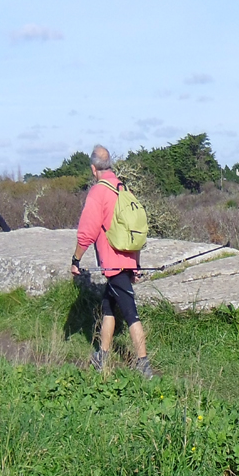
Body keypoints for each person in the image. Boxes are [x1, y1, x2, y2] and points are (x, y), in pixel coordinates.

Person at [70, 146, 154, 379]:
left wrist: (76, 260)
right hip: (128, 258)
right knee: (108, 307)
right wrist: (135, 264)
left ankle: (144, 366)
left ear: (93, 169)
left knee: (130, 313)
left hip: (113, 263)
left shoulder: (98, 192)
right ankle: (103, 356)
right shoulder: (122, 188)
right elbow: (133, 229)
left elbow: (87, 231)